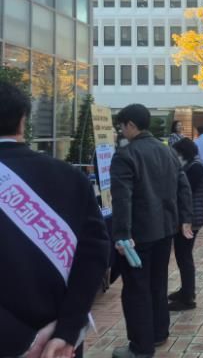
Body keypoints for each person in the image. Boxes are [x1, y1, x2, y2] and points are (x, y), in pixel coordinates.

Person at [0, 82, 110, 358]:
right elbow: (94, 256)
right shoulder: (71, 177)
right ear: (23, 120)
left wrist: (22, 341)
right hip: (58, 345)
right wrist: (67, 329)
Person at [110, 104, 193, 357]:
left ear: (131, 125)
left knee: (136, 289)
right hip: (165, 231)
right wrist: (184, 219)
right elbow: (183, 187)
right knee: (158, 283)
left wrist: (122, 235)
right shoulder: (167, 151)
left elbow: (122, 198)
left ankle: (140, 347)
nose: (121, 131)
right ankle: (158, 333)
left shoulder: (126, 155)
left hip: (137, 236)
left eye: (122, 126)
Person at [170, 138, 203, 311]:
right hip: (189, 216)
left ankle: (187, 298)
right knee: (182, 255)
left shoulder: (196, 167)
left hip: (191, 218)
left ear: (183, 153)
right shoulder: (192, 164)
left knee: (184, 256)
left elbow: (185, 190)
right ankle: (185, 290)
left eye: (177, 153)